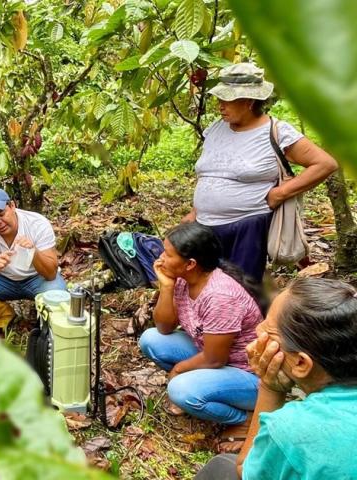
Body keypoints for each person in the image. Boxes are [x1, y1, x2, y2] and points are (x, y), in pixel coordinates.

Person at [184, 63, 337, 281]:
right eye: (219, 99)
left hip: (247, 226)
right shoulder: (216, 128)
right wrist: (195, 211)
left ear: (249, 101)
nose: (220, 106)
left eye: (227, 100)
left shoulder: (277, 132)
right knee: (202, 284)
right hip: (205, 224)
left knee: (240, 286)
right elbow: (210, 174)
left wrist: (280, 193)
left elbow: (324, 164)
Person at [195, 277, 357, 480]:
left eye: (269, 331)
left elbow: (245, 470)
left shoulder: (292, 428)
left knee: (219, 468)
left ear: (301, 363)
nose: (258, 329)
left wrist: (269, 387)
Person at [139, 222, 263, 438]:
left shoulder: (220, 297)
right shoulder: (184, 279)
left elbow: (215, 360)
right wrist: (166, 287)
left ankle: (245, 420)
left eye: (168, 254)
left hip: (247, 373)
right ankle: (203, 386)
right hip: (211, 351)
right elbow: (164, 327)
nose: (160, 258)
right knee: (152, 339)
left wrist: (179, 370)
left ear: (190, 264)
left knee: (181, 390)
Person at [0, 187, 66, 333]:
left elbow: (51, 274)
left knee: (58, 293)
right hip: (3, 280)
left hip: (36, 278)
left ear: (12, 206)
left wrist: (34, 252)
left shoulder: (37, 223)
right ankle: (6, 314)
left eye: (1, 214)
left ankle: (44, 323)